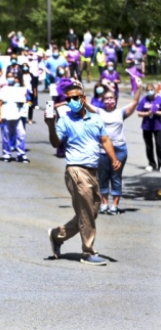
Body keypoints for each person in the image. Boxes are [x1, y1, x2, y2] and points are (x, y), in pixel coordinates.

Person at [45, 82, 121, 266]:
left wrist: (114, 159)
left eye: (75, 98)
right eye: (68, 99)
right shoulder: (64, 120)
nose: (72, 102)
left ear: (83, 99)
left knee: (91, 212)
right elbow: (56, 143)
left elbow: (105, 140)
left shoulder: (95, 118)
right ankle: (88, 252)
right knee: (87, 211)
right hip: (76, 170)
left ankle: (57, 235)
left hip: (92, 170)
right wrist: (50, 125)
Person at [81, 80, 141, 214]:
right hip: (102, 150)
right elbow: (84, 103)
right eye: (106, 98)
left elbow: (135, 103)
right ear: (103, 100)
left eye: (111, 98)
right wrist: (78, 86)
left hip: (119, 149)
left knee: (116, 176)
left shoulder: (121, 113)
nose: (109, 100)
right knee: (102, 177)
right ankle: (104, 203)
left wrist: (139, 87)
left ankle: (115, 205)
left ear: (115, 99)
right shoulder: (99, 112)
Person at [0, 73, 30, 163]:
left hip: (17, 115)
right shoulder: (4, 89)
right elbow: (0, 103)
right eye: (10, 77)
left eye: (15, 77)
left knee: (21, 134)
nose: (13, 79)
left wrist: (24, 97)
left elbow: (25, 103)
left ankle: (21, 154)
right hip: (6, 115)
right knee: (6, 135)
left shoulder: (20, 89)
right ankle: (7, 154)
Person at [137, 83, 161, 172]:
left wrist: (156, 112)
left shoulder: (159, 99)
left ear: (154, 90)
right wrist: (147, 113)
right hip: (147, 126)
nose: (150, 91)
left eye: (151, 89)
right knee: (149, 146)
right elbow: (139, 113)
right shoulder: (144, 100)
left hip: (158, 126)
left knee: (159, 145)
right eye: (148, 90)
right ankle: (151, 164)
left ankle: (160, 164)